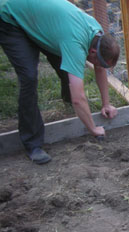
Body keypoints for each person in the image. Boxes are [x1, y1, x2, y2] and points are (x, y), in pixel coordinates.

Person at [0, 0, 120, 164]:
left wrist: (106, 104)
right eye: (101, 63)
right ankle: (32, 144)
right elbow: (79, 97)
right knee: (28, 77)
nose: (101, 67)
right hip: (11, 17)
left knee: (67, 67)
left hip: (43, 21)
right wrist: (93, 129)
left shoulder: (97, 33)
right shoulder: (75, 44)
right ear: (92, 52)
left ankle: (68, 102)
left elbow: (99, 69)